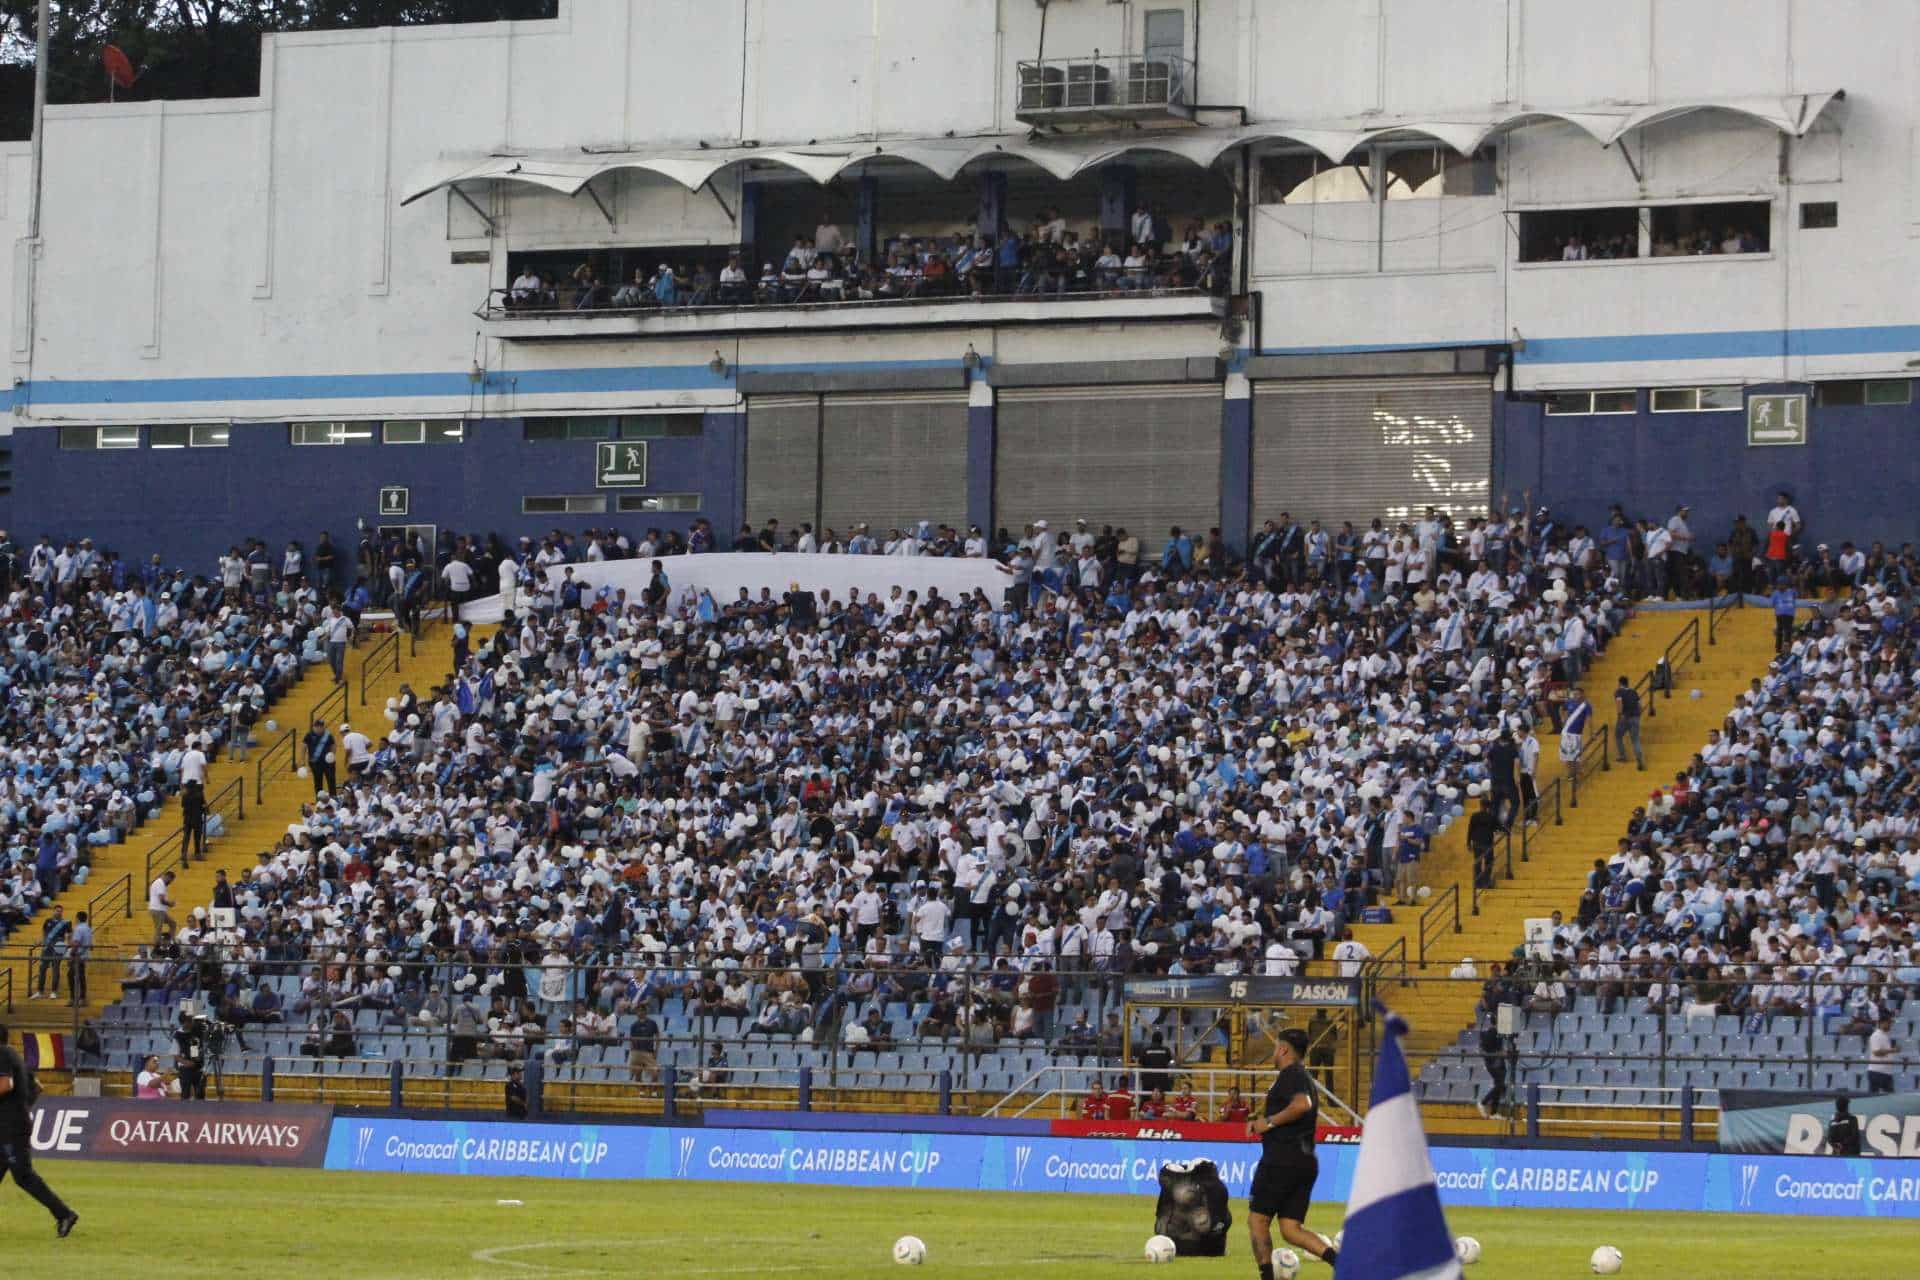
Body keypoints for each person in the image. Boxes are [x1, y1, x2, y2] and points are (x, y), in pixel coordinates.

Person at [1246, 1028, 1337, 1277]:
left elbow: (1301, 1105)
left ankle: (1267, 1276)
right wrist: (1261, 1121)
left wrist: (1269, 1123)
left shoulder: (1292, 1073)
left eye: (1276, 1047)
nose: (1275, 1052)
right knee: (1290, 1228)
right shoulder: (1303, 1076)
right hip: (1305, 1160)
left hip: (1281, 1159)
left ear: (1283, 1049)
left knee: (1258, 1220)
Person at [0, 1022, 80, 1237]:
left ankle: (64, 1214)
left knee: (24, 1176)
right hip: (10, 1124)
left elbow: (5, 1085)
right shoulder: (15, 1057)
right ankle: (64, 1214)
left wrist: (14, 1113)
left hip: (10, 1129)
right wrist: (21, 1108)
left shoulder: (2, 1054)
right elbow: (37, 1087)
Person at [1612, 674, 1645, 770]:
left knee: (1618, 736)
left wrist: (1620, 714)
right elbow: (1640, 706)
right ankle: (1639, 760)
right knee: (1635, 740)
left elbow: (1619, 703)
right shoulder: (1634, 691)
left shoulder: (1618, 691)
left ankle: (1623, 756)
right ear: (1627, 683)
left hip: (1624, 717)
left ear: (1619, 683)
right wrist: (1637, 715)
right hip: (1635, 717)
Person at [1477, 1018, 1507, 1119]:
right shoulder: (1490, 1034)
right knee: (1499, 1085)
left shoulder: (1499, 1033)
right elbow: (1483, 1051)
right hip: (1493, 1063)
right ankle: (1483, 1102)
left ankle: (1494, 1112)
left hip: (1499, 1062)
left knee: (1499, 1086)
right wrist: (1498, 1054)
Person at [1137, 1030, 1175, 1096]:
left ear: (1152, 1039)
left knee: (1146, 1099)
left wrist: (1141, 1078)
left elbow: (1140, 1064)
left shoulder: (1145, 1050)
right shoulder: (1166, 1050)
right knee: (1161, 1101)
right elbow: (1171, 1062)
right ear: (1161, 1040)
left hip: (1148, 1081)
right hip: (1162, 1082)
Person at [1867, 1015, 1898, 1095]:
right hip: (1877, 1071)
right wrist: (1893, 1050)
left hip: (1885, 1071)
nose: (1890, 1025)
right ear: (1881, 1023)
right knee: (1873, 1097)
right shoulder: (1876, 1036)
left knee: (1890, 1096)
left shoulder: (1884, 1036)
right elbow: (1876, 1052)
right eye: (1888, 1023)